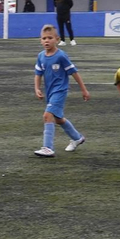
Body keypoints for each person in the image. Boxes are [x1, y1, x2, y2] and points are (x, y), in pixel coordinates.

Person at [33, 24, 90, 158]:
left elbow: (74, 73)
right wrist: (37, 88)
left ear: (57, 39)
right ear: (40, 40)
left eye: (50, 38)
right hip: (50, 92)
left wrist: (84, 90)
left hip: (60, 91)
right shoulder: (41, 56)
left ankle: (48, 148)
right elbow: (38, 73)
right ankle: (77, 138)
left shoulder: (61, 56)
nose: (47, 41)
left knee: (47, 116)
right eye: (44, 38)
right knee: (58, 119)